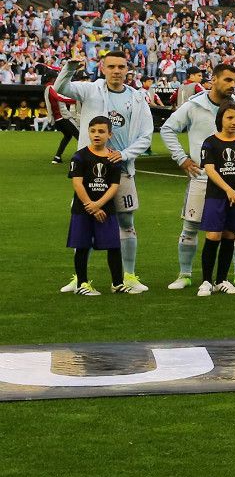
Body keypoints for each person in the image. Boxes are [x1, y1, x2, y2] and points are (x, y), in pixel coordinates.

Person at [55, 44, 153, 293]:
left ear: (127, 69)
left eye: (121, 66)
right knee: (83, 221)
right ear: (103, 68)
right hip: (89, 171)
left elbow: (146, 135)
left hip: (122, 169)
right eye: (111, 66)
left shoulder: (137, 97)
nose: (116, 71)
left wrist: (125, 154)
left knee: (126, 221)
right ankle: (79, 278)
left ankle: (128, 276)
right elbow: (59, 89)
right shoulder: (90, 90)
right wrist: (69, 68)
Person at [159, 62, 235, 291]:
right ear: (214, 79)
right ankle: (185, 275)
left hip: (234, 180)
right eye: (227, 80)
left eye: (234, 81)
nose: (232, 85)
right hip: (201, 177)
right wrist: (182, 158)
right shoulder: (194, 105)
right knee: (190, 227)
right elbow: (168, 128)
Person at [196, 104, 235, 295]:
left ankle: (222, 280)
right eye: (230, 118)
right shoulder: (210, 143)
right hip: (217, 197)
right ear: (221, 119)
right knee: (213, 236)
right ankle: (206, 281)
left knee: (230, 236)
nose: (234, 122)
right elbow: (210, 169)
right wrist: (229, 190)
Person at [67, 117, 127, 296]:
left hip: (105, 210)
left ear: (110, 134)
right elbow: (78, 183)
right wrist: (90, 206)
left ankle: (117, 283)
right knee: (82, 246)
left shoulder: (113, 158)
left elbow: (114, 186)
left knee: (114, 246)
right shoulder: (79, 156)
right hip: (82, 209)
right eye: (93, 131)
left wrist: (99, 205)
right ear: (88, 133)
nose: (96, 135)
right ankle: (82, 284)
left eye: (101, 131)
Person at [45, 80, 78, 165]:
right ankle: (84, 158)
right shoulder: (51, 87)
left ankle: (57, 157)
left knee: (68, 136)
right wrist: (78, 99)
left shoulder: (47, 88)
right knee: (80, 136)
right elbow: (60, 98)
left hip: (57, 119)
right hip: (63, 117)